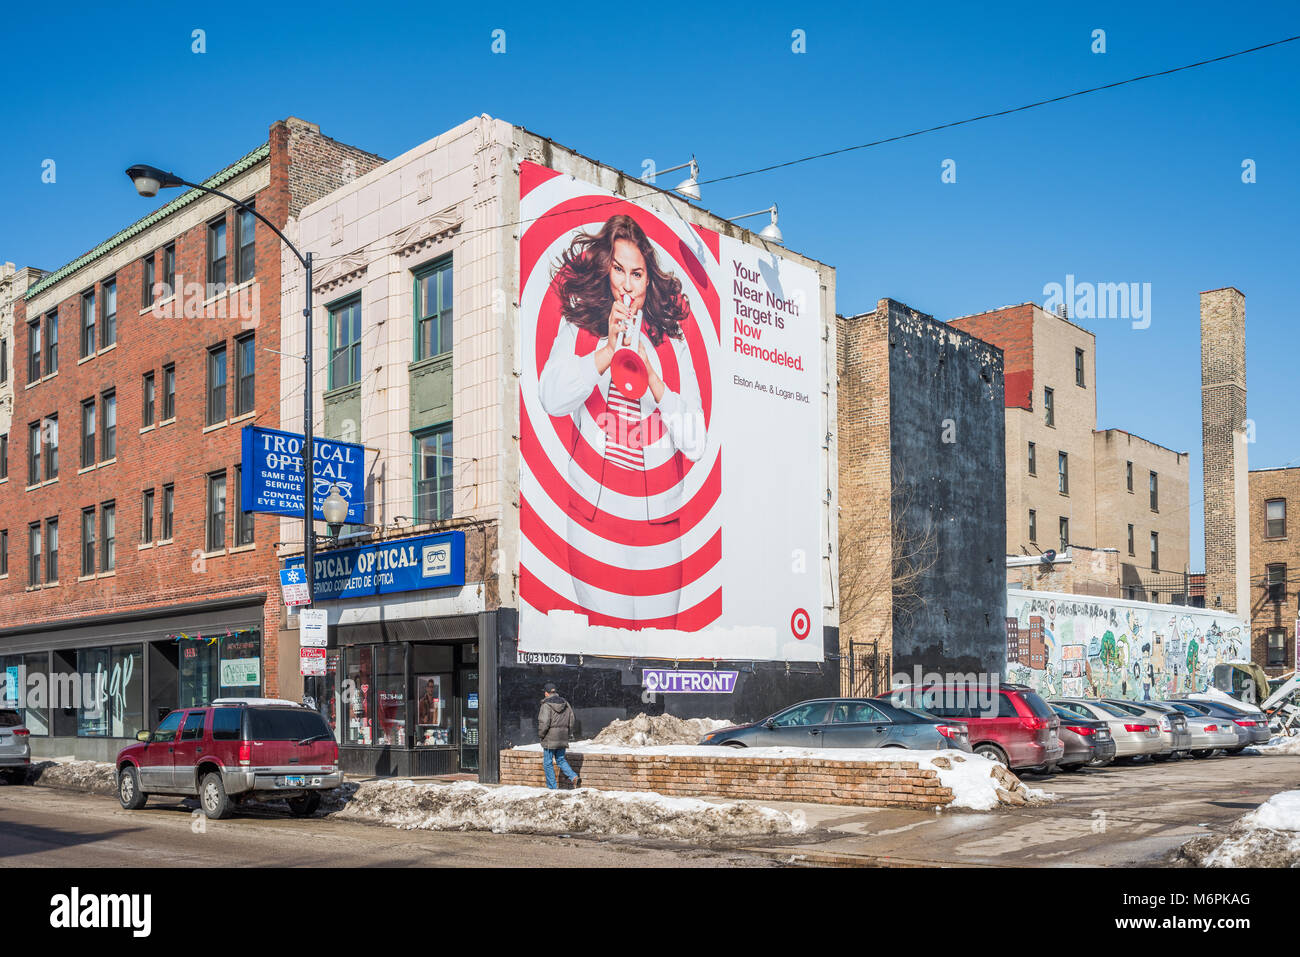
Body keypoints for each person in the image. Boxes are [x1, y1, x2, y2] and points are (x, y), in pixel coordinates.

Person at [537, 214, 707, 626]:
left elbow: (695, 440)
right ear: (605, 270)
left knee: (658, 651)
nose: (628, 285)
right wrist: (604, 352)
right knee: (606, 647)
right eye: (618, 270)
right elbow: (551, 398)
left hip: (658, 524)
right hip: (594, 517)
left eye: (637, 273)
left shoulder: (671, 339)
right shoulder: (577, 325)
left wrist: (652, 377)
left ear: (649, 280)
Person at [537, 683, 580, 789]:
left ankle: (552, 787)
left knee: (548, 762)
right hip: (562, 736)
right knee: (560, 759)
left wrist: (541, 734)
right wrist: (567, 733)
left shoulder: (546, 705)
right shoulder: (565, 703)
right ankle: (573, 777)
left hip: (550, 738)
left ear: (546, 693)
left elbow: (544, 722)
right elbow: (572, 720)